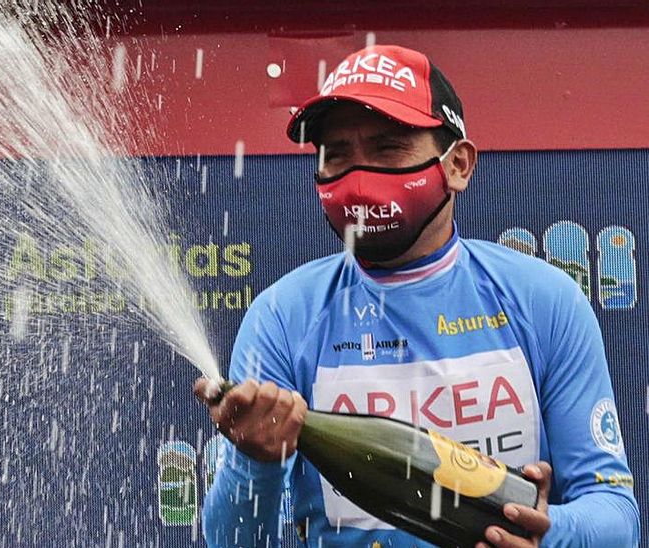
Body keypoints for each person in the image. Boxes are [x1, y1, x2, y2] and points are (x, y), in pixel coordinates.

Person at [193, 44, 639, 547]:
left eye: (387, 148)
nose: (358, 178)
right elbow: (234, 542)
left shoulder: (544, 300)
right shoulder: (283, 316)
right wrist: (256, 464)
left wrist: (551, 535)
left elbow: (615, 515)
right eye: (337, 154)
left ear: (459, 165)